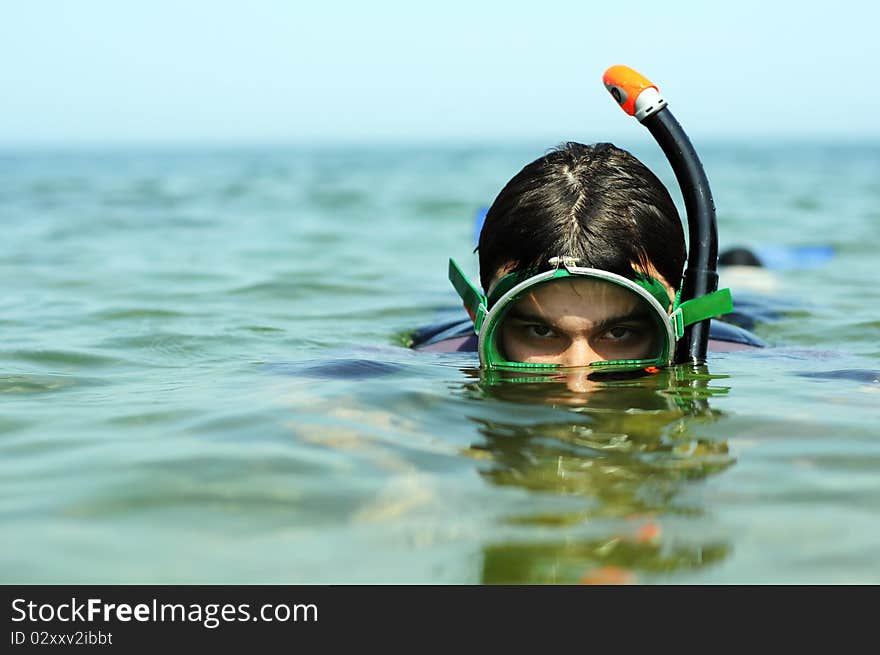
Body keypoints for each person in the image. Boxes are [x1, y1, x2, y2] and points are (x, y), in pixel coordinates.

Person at [412, 141, 764, 372]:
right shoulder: (432, 354)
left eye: (621, 332)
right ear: (480, 317)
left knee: (745, 266)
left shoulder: (738, 352)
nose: (578, 382)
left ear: (677, 312)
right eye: (539, 330)